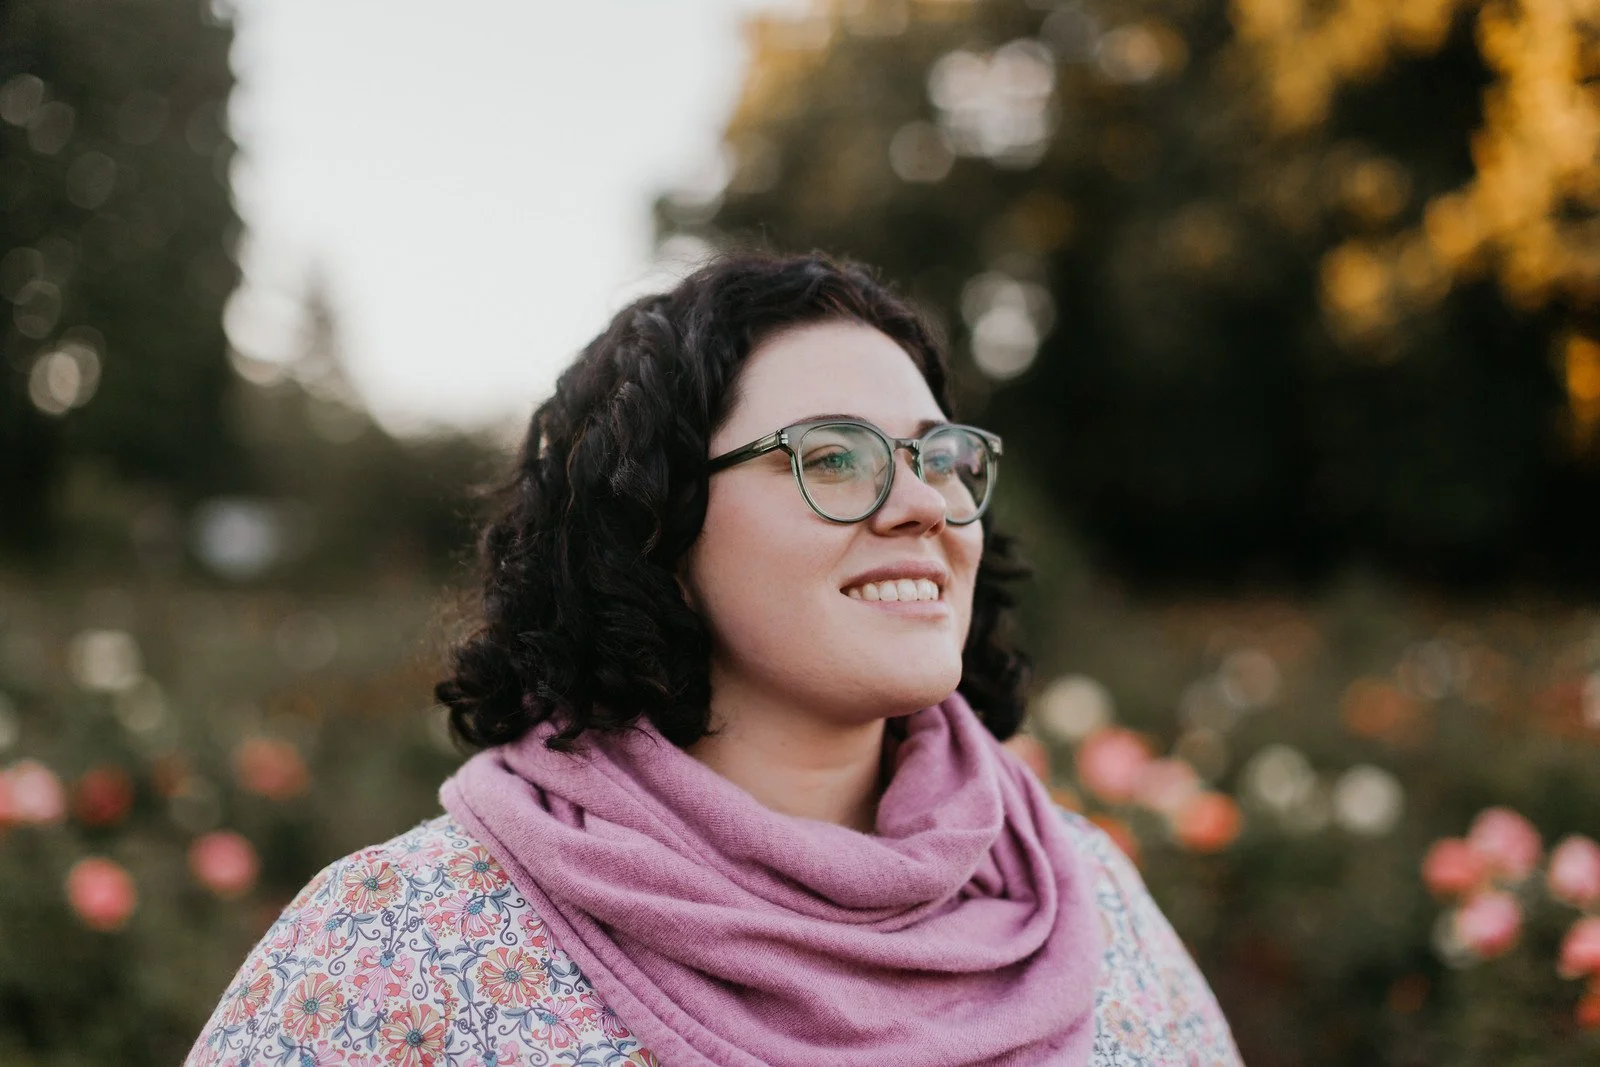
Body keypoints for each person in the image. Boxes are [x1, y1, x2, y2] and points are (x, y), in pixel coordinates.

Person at [185, 251, 1242, 1067]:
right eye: (834, 457)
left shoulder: (1084, 896)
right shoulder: (399, 944)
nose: (922, 503)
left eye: (940, 456)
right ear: (656, 522)